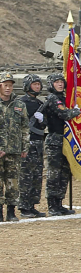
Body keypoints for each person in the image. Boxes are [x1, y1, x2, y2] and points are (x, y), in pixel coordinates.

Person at [43, 72, 81, 216]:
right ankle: (52, 204)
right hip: (55, 140)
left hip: (67, 139)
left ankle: (59, 202)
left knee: (64, 173)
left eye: (61, 82)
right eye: (56, 82)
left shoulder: (65, 98)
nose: (60, 84)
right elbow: (64, 114)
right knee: (54, 173)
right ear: (51, 84)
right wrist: (75, 111)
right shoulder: (53, 98)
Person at [17, 74, 47, 218]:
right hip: (26, 143)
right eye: (34, 84)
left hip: (38, 143)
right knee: (25, 176)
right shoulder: (21, 102)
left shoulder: (40, 104)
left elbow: (44, 125)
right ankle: (24, 206)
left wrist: (42, 120)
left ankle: (32, 204)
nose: (37, 87)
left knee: (36, 176)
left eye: (38, 84)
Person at [0, 72, 28, 222]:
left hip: (14, 150)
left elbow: (25, 127)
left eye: (10, 85)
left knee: (13, 183)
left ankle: (11, 212)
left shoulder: (19, 105)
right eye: (5, 85)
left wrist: (25, 146)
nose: (8, 88)